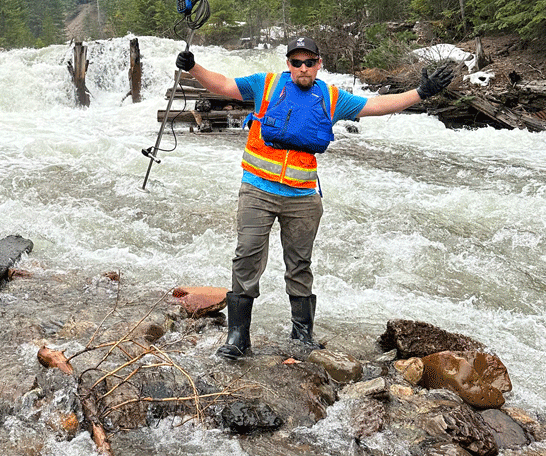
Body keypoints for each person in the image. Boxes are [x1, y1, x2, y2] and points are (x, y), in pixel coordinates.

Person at [175, 35, 454, 359]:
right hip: (257, 190)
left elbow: (376, 106)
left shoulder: (332, 97)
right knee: (247, 257)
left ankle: (302, 333)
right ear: (289, 64)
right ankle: (238, 336)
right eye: (296, 62)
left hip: (303, 197)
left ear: (319, 64)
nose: (303, 67)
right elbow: (223, 85)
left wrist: (421, 93)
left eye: (309, 62)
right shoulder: (265, 85)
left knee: (300, 265)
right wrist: (193, 67)